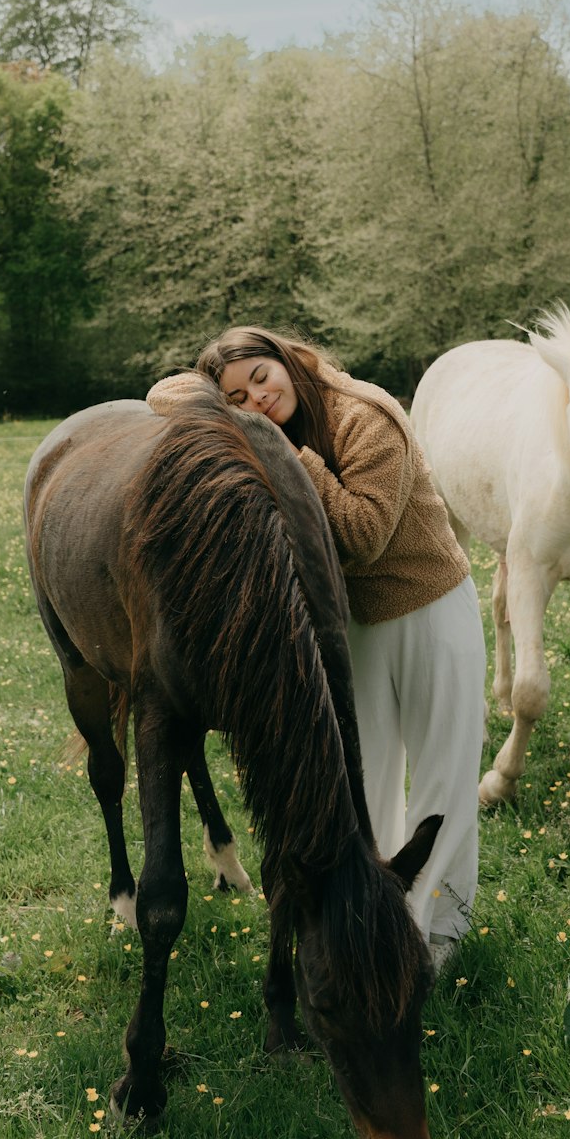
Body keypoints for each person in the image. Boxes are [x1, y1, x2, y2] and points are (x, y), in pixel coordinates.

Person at [146, 325, 486, 977]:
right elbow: (164, 394)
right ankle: (374, 913)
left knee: (443, 777)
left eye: (263, 377)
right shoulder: (261, 414)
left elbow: (362, 536)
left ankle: (435, 934)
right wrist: (218, 403)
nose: (257, 399)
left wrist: (285, 454)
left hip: (430, 608)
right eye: (238, 395)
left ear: (288, 359)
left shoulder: (366, 416)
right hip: (353, 623)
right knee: (365, 777)